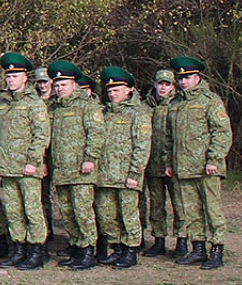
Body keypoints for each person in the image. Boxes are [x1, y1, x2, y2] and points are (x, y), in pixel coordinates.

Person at [168, 56, 232, 269]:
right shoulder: (175, 103)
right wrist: (170, 161)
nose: (183, 82)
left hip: (206, 168)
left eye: (187, 77)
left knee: (212, 210)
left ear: (198, 77)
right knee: (190, 212)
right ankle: (198, 248)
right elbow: (170, 137)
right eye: (180, 78)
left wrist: (214, 159)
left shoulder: (209, 100)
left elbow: (221, 132)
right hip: (183, 168)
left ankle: (217, 249)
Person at [0, 52, 52, 270]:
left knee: (32, 210)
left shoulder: (34, 103)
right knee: (13, 211)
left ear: (25, 78)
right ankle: (18, 249)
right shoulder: (3, 103)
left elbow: (41, 135)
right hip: (7, 168)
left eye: (15, 76)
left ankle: (36, 250)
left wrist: (33, 161)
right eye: (8, 76)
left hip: (27, 168)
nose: (11, 80)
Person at [46, 60, 104, 271]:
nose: (60, 88)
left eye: (64, 84)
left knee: (83, 212)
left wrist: (90, 158)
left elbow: (96, 134)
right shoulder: (55, 109)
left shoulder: (87, 106)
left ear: (74, 84)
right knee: (68, 213)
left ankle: (88, 250)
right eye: (57, 84)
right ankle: (77, 247)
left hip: (81, 170)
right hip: (62, 170)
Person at [95, 67, 152, 269]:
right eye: (110, 90)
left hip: (126, 175)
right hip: (105, 175)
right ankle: (117, 248)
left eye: (117, 90)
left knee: (128, 214)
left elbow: (142, 146)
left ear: (129, 90)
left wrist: (135, 173)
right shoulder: (103, 113)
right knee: (106, 214)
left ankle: (130, 250)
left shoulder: (138, 114)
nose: (112, 94)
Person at [143, 69, 183, 258]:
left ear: (173, 86)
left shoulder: (179, 105)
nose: (163, 87)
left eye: (167, 84)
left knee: (179, 204)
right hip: (152, 164)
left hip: (173, 165)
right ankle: (159, 240)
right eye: (160, 84)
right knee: (156, 205)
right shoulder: (146, 106)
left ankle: (182, 241)